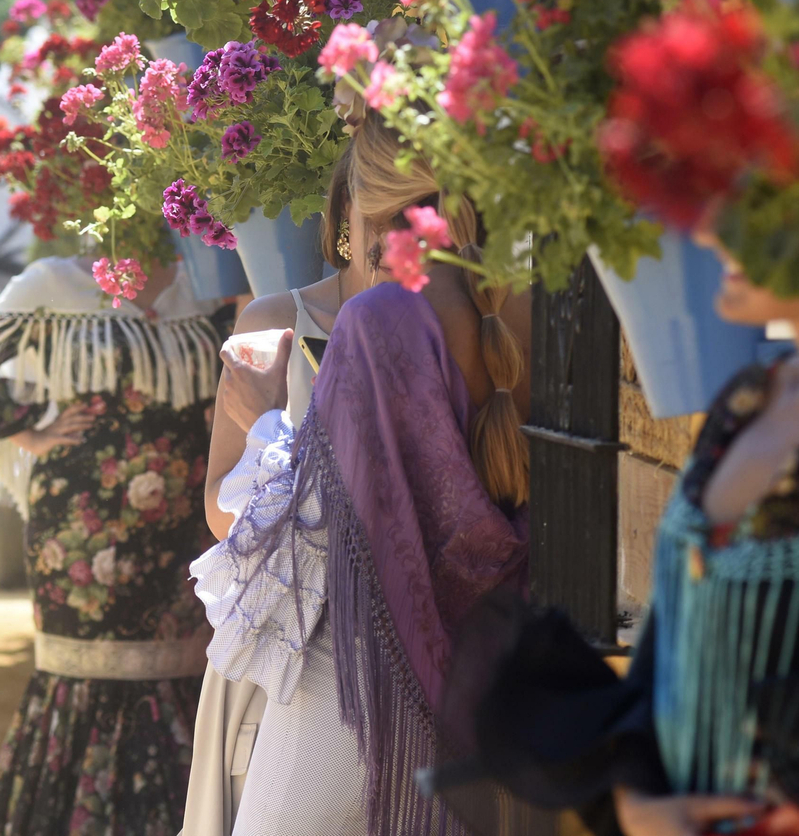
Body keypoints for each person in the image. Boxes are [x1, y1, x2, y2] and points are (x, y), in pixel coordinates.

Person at [192, 122, 531, 836]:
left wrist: (261, 420)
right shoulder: (513, 310)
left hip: (347, 665)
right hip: (485, 663)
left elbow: (326, 521)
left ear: (358, 201)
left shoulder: (380, 319)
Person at [446, 213, 799, 836]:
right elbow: (669, 656)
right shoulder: (750, 401)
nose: (711, 231)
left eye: (763, 197)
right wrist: (640, 803)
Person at [0, 253, 222, 836]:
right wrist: (28, 429)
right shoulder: (53, 284)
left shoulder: (206, 278)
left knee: (179, 674)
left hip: (186, 531)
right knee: (92, 678)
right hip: (81, 534)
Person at [182, 147, 374, 836]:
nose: (405, 234)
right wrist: (270, 433)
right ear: (342, 219)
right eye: (383, 212)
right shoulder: (272, 320)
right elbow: (217, 512)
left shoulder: (449, 329)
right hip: (292, 645)